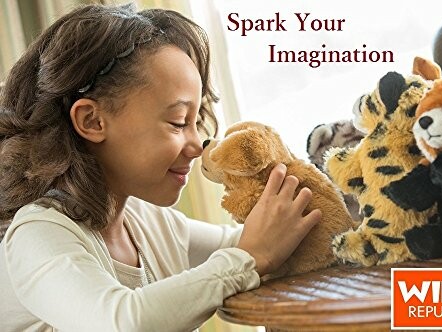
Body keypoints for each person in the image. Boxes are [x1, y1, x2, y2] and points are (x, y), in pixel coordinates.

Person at [0, 4, 322, 332]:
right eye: (178, 121)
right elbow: (124, 323)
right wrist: (249, 259)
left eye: (197, 120)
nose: (198, 146)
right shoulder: (36, 234)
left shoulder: (148, 222)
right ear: (92, 120)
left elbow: (258, 240)